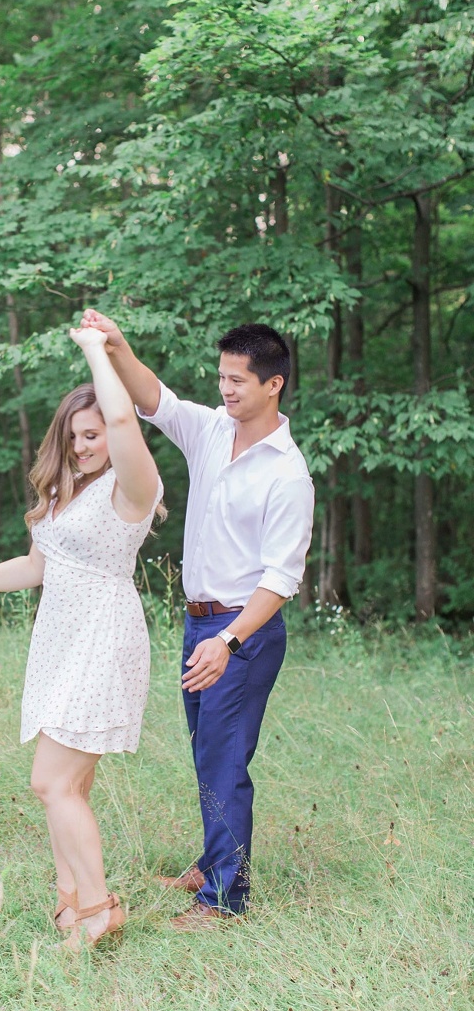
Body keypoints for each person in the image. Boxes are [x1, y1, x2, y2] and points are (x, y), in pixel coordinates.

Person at [0, 325, 164, 950]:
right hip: (59, 639)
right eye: (74, 436)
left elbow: (122, 417)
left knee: (50, 782)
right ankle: (68, 900)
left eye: (94, 435)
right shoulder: (65, 491)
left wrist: (96, 348)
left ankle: (98, 908)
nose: (85, 446)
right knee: (70, 785)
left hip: (102, 635)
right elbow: (37, 567)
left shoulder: (132, 486)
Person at [80, 309, 314, 928]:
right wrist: (119, 347)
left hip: (244, 631)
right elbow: (154, 399)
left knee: (225, 758)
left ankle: (224, 900)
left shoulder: (287, 474)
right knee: (207, 751)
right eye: (221, 378)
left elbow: (281, 580)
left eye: (238, 380)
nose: (226, 389)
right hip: (198, 624)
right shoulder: (212, 430)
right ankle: (212, 865)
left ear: (273, 384)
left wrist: (230, 642)